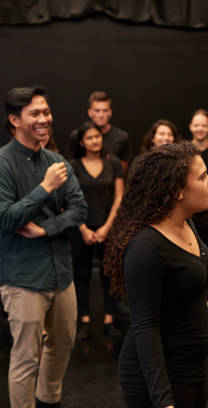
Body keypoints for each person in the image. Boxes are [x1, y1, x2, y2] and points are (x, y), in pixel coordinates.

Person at [103, 142, 208, 408]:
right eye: (203, 177)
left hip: (191, 366)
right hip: (160, 377)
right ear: (177, 191)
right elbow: (145, 327)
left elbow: (189, 294)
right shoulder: (145, 247)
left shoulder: (186, 224)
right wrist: (162, 400)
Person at [0, 86, 87, 408]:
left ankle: (49, 401)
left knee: (62, 346)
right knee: (25, 358)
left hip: (61, 273)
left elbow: (80, 209)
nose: (44, 119)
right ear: (14, 120)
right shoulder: (3, 164)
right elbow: (6, 219)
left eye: (46, 112)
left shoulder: (57, 161)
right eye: (35, 113)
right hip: (22, 279)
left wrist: (46, 229)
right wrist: (44, 188)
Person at [69, 121, 124, 339]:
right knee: (81, 273)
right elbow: (68, 199)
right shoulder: (73, 165)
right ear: (82, 142)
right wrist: (82, 228)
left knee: (108, 274)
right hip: (80, 228)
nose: (95, 140)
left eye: (98, 137)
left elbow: (119, 197)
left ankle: (109, 319)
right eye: (90, 138)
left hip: (107, 227)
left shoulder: (115, 163)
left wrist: (106, 227)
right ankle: (84, 319)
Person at [189, 110, 208, 310]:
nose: (200, 129)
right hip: (187, 211)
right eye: (196, 125)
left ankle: (203, 298)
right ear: (191, 127)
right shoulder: (184, 152)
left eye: (204, 125)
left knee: (204, 257)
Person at [66, 91, 132, 173]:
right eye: (97, 111)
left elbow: (121, 173)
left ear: (110, 112)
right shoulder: (76, 136)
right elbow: (70, 167)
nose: (101, 115)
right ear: (90, 112)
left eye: (105, 111)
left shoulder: (122, 137)